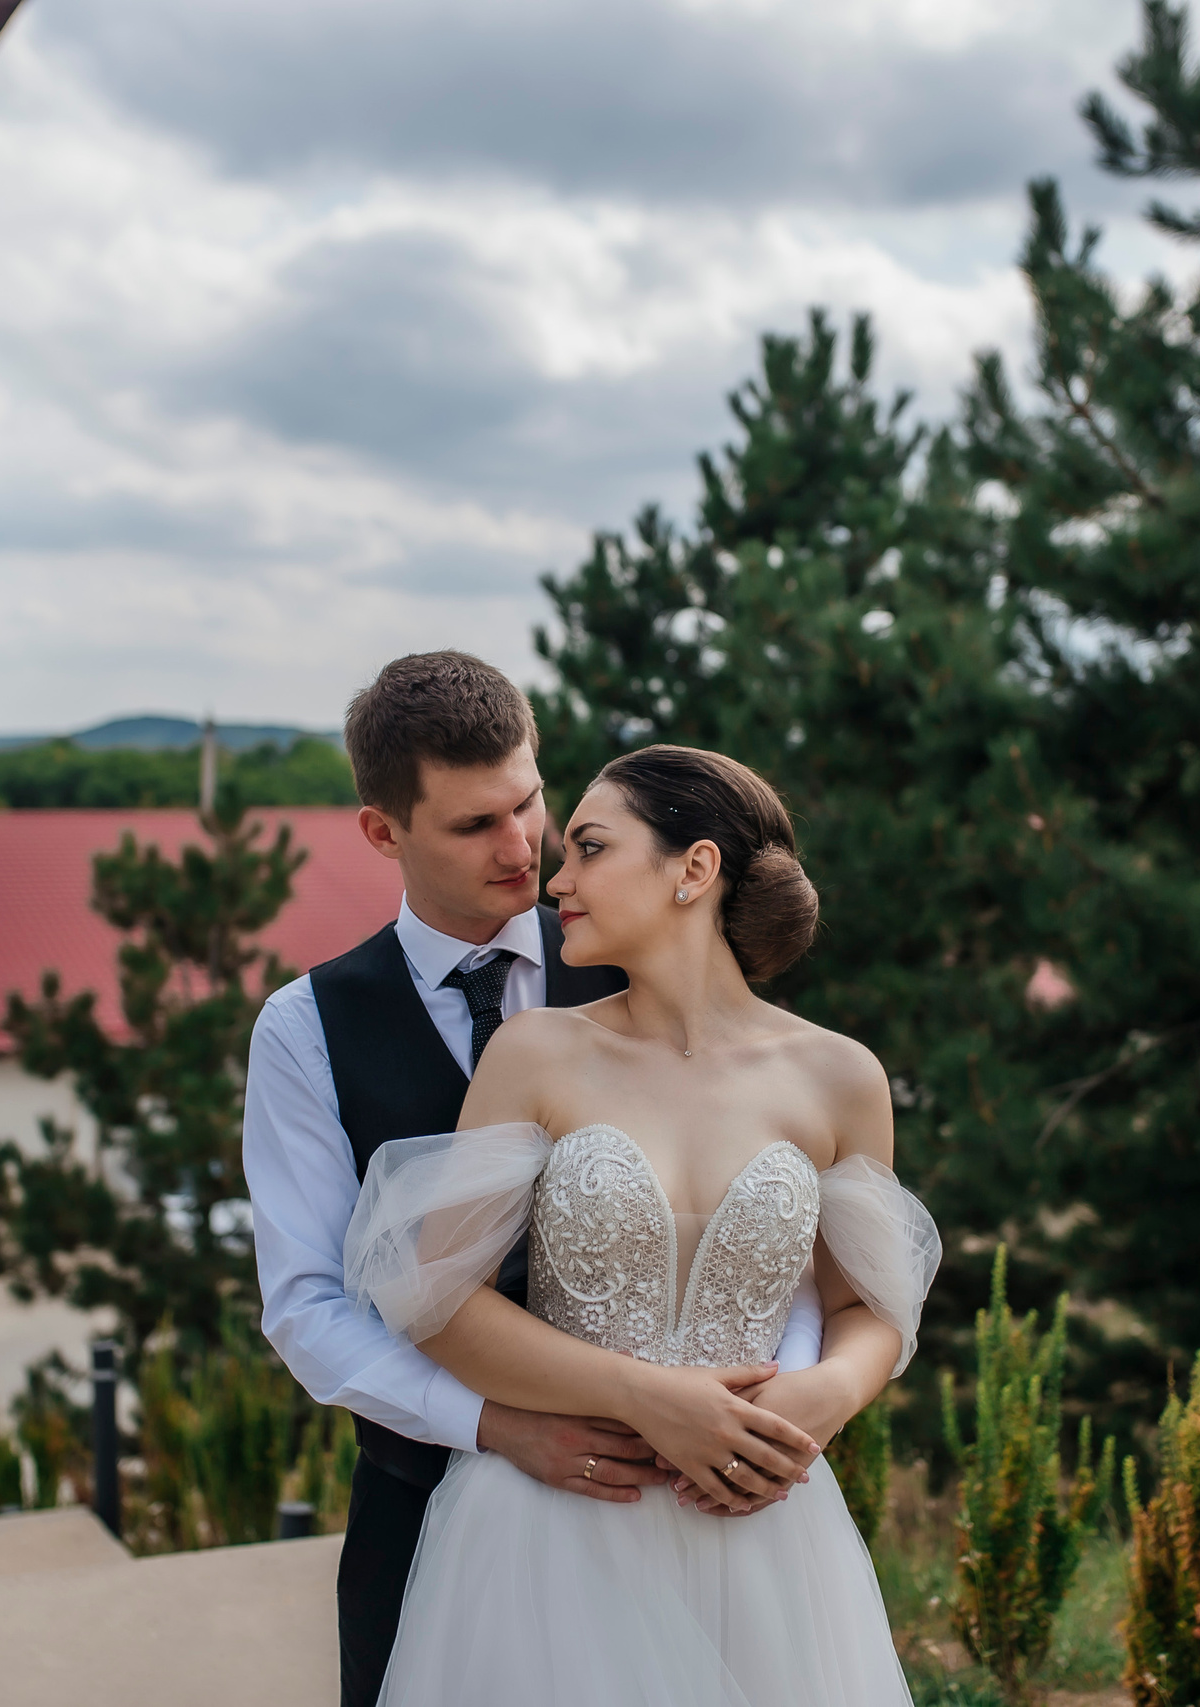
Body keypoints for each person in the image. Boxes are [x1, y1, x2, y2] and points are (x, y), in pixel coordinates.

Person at [243, 653, 831, 1707]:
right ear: (384, 833)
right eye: (475, 826)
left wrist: (760, 1408)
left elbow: (772, 1212)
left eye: (529, 803)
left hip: (700, 1506)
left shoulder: (640, 949)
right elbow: (307, 1305)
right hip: (426, 1499)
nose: (523, 850)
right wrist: (493, 1424)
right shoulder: (305, 1031)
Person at [344, 741, 939, 1705]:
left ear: (693, 869)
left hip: (763, 1533)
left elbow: (868, 1304)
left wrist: (828, 1391)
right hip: (552, 1533)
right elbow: (438, 1306)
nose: (556, 876)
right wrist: (646, 1397)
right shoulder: (537, 1053)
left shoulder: (840, 1075)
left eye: (588, 847)